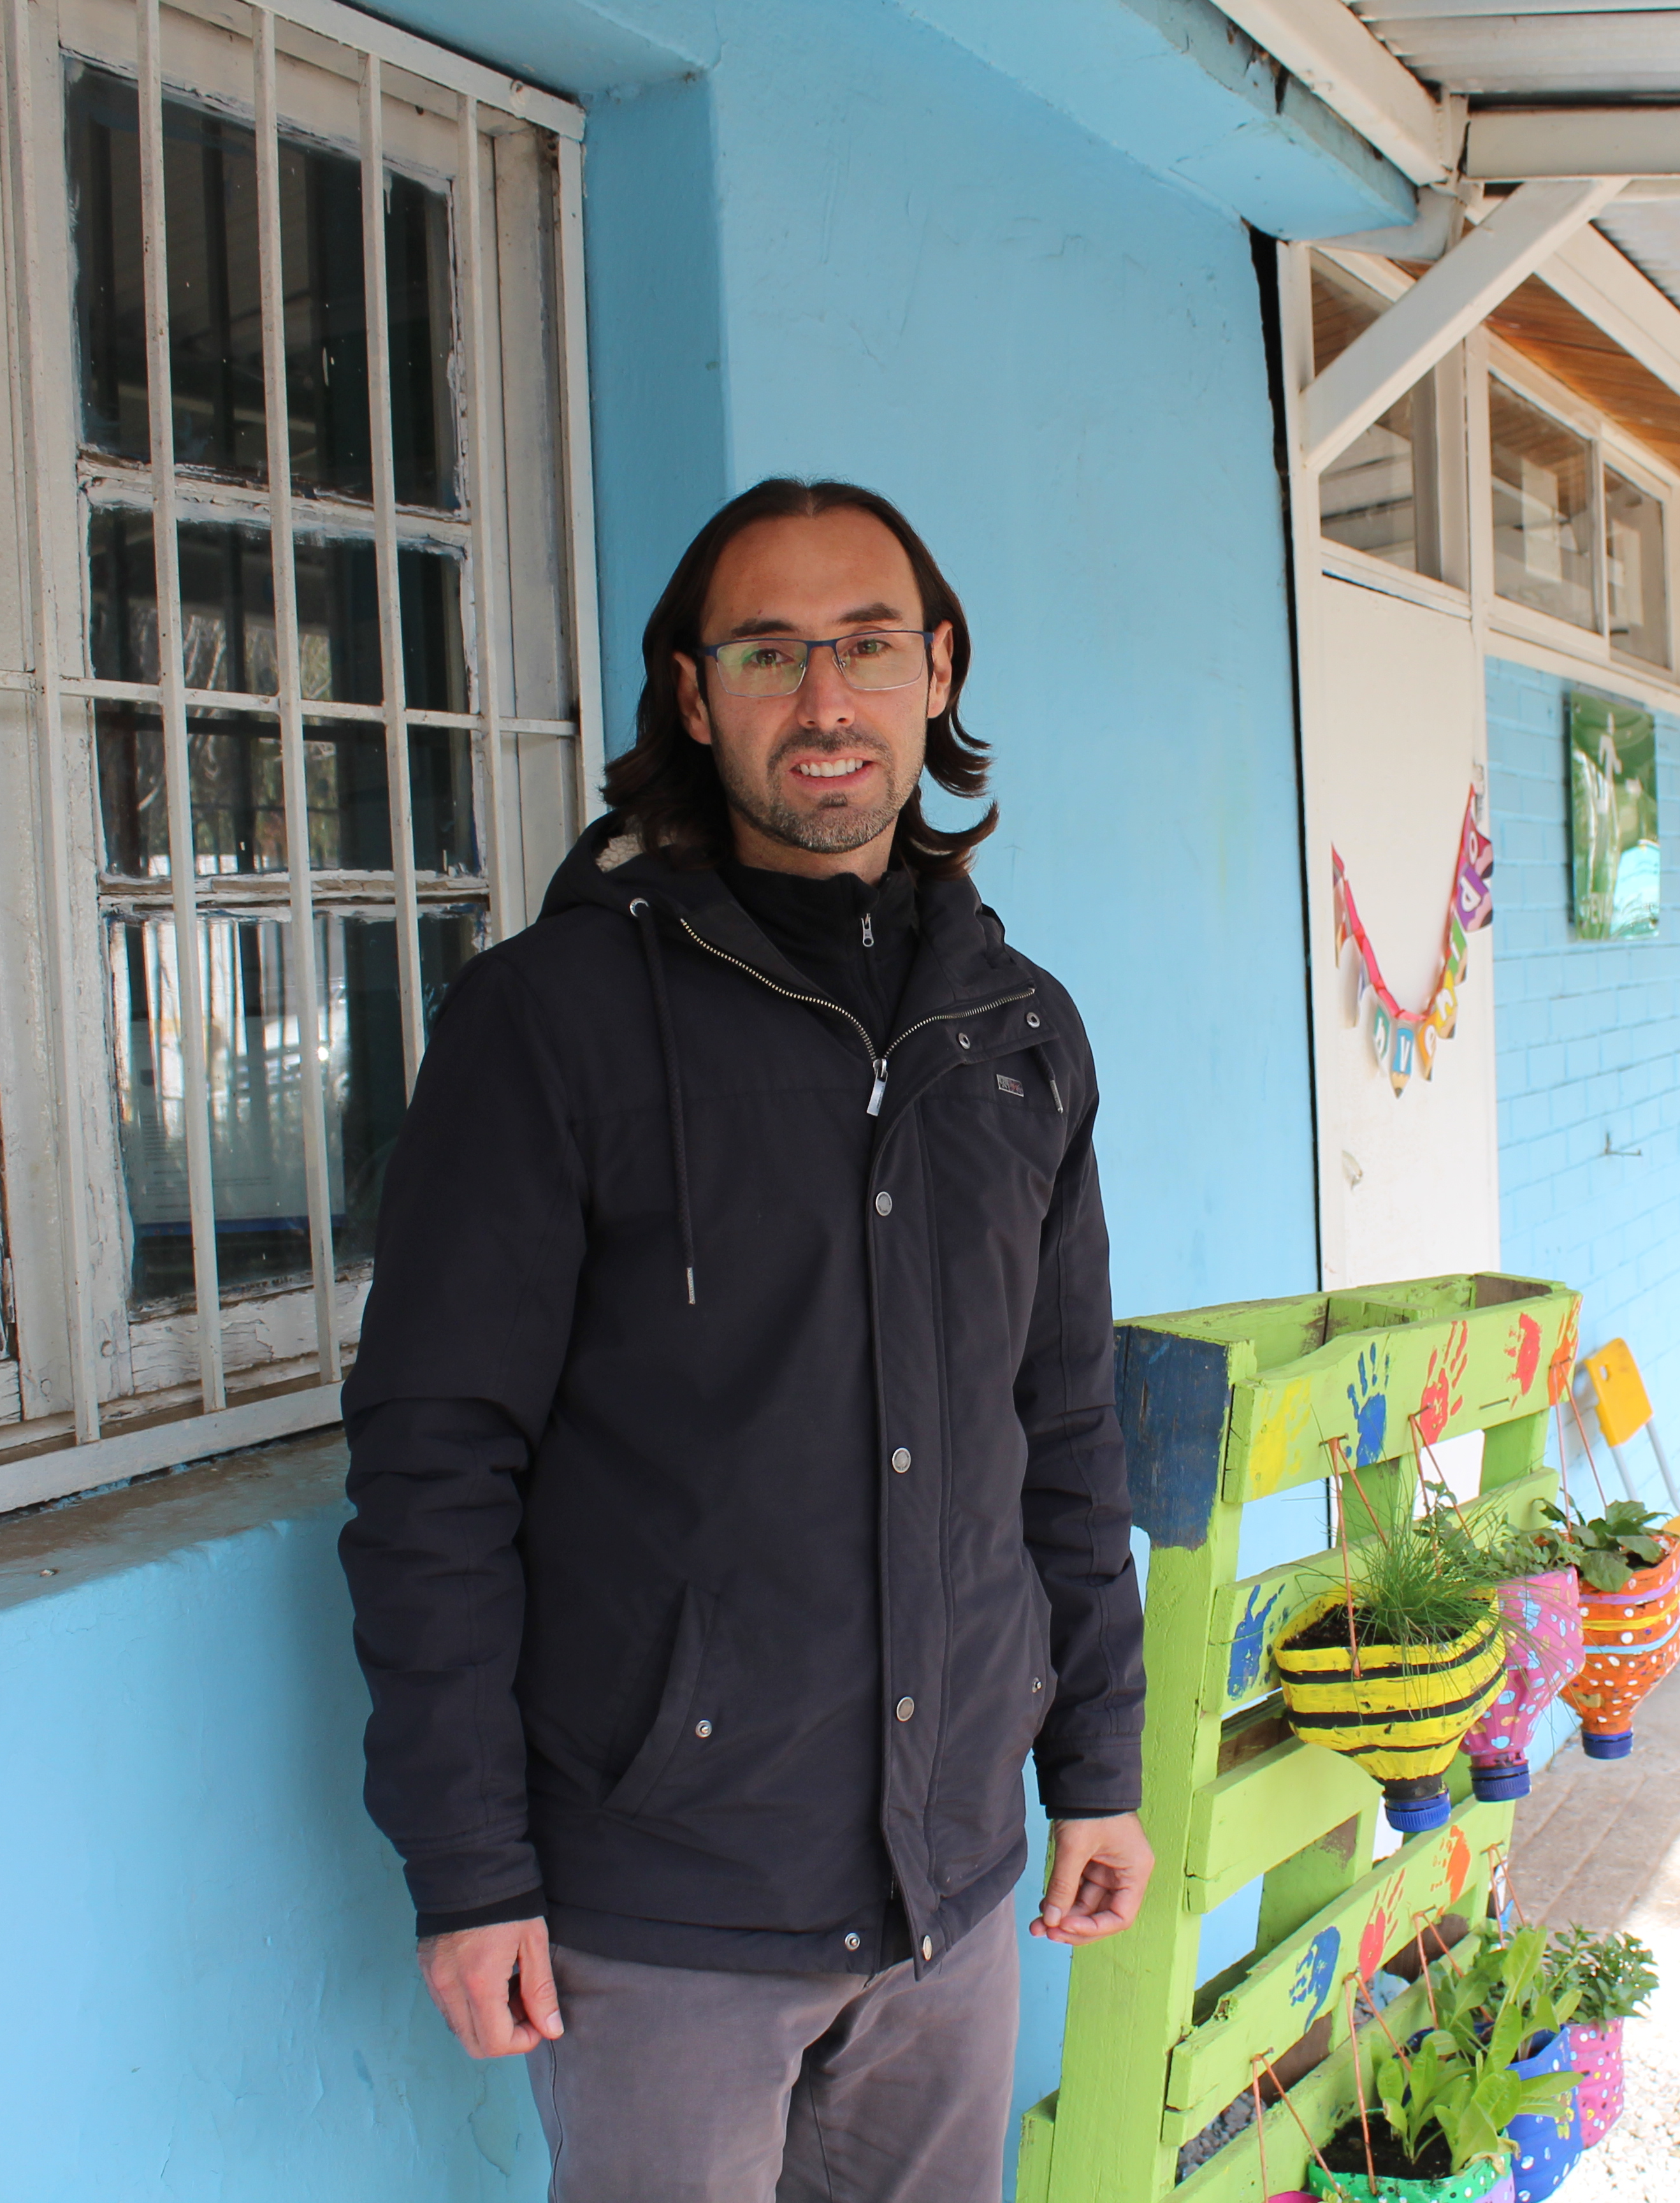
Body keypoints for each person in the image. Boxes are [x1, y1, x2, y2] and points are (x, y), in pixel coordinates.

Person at [338, 478, 1155, 2201]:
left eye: (865, 646)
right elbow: (436, 1463)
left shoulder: (1019, 1037)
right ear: (694, 700)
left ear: (936, 673)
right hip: (665, 1906)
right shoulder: (553, 1022)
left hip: (954, 1886)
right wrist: (470, 1867)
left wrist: (1093, 1763)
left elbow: (1063, 1431)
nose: (824, 699)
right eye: (769, 655)